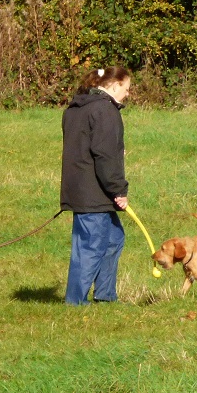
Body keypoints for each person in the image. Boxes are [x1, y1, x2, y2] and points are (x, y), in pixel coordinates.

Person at [60, 65, 133, 305]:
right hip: (94, 192)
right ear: (113, 85)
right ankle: (75, 302)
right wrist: (118, 190)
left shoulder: (75, 109)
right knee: (90, 247)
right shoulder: (105, 111)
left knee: (113, 239)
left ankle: (105, 295)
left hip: (82, 188)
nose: (127, 93)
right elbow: (106, 155)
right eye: (126, 88)